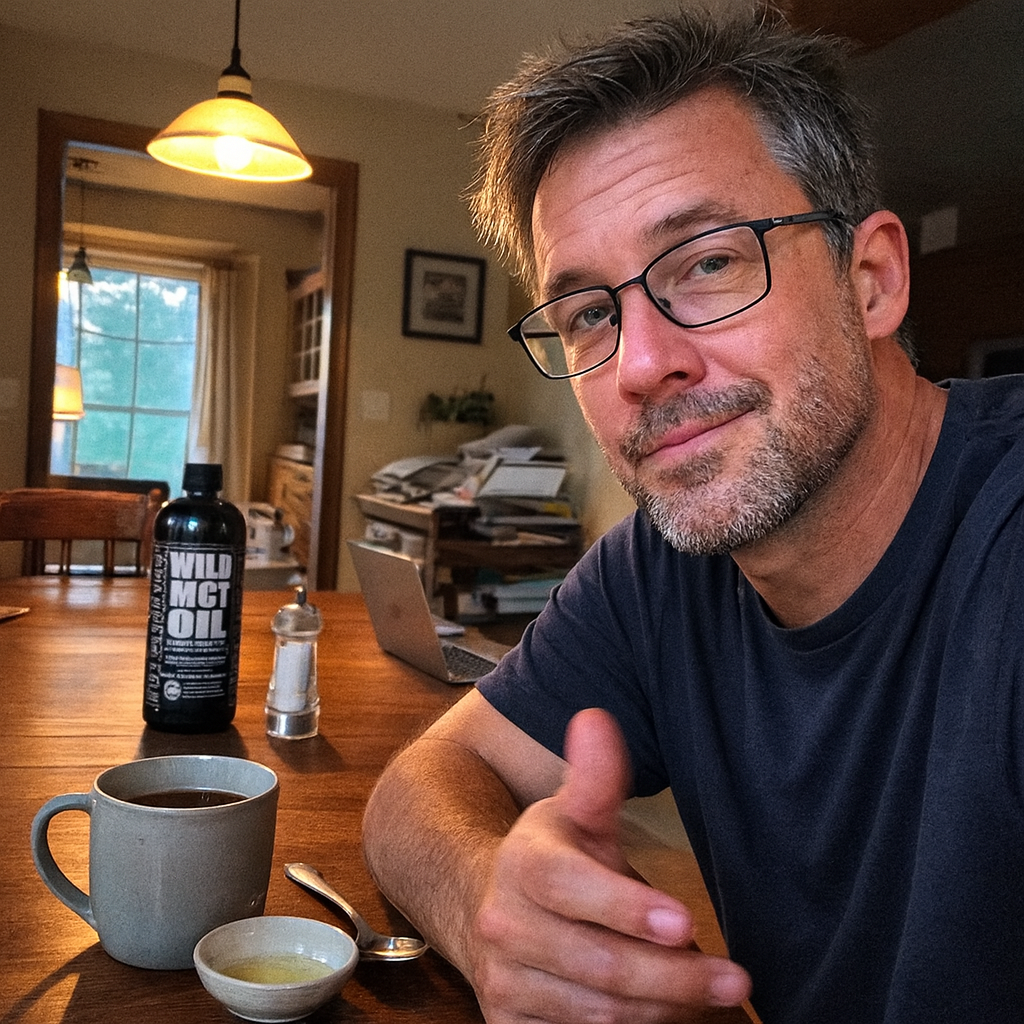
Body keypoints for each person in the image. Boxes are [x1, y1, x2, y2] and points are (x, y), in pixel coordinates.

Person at [362, 7, 1024, 1024]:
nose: (637, 365)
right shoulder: (658, 574)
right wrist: (491, 909)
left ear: (872, 278)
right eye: (588, 311)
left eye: (708, 261)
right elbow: (420, 786)